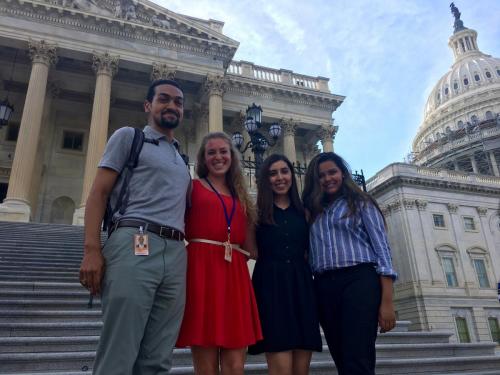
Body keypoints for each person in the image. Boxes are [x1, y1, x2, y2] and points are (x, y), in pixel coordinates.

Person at [79, 79, 191, 375]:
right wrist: (92, 250)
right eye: (164, 99)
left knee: (157, 358)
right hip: (134, 240)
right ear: (148, 106)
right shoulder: (129, 137)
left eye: (178, 102)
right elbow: (98, 193)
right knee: (120, 350)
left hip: (176, 251)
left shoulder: (181, 157)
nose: (172, 106)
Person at [302, 152, 397, 375]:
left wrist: (387, 302)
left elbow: (382, 251)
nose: (327, 179)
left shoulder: (361, 203)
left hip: (359, 281)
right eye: (321, 175)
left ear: (343, 173)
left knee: (358, 356)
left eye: (332, 172)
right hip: (324, 285)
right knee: (341, 356)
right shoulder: (314, 211)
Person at [176, 132, 262, 375]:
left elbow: (251, 244)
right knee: (206, 365)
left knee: (235, 365)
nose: (218, 157)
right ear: (203, 158)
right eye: (211, 152)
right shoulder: (191, 188)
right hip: (201, 272)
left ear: (232, 156)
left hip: (234, 273)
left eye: (223, 151)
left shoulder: (241, 195)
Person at [248, 154, 322, 375]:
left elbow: (311, 252)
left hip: (302, 288)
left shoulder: (306, 213)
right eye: (272, 173)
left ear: (291, 175)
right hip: (271, 290)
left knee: (301, 371)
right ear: (265, 179)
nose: (279, 177)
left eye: (284, 171)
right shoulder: (255, 214)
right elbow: (252, 252)